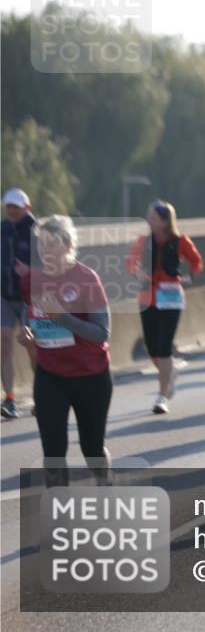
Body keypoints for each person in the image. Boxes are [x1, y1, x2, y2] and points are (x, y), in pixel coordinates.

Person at [18, 216, 112, 486]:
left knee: (91, 450)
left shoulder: (86, 278)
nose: (45, 250)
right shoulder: (31, 280)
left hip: (91, 376)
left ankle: (104, 480)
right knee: (54, 453)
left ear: (68, 244)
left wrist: (64, 318)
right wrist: (28, 333)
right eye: (41, 244)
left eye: (52, 244)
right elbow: (31, 314)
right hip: (50, 376)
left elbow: (101, 333)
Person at [126, 201, 204, 414]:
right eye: (148, 216)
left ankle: (162, 396)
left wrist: (190, 275)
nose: (149, 220)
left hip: (170, 297)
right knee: (152, 348)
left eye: (153, 217)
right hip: (147, 298)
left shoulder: (180, 241)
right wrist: (137, 272)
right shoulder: (143, 241)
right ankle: (168, 373)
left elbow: (196, 262)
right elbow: (130, 262)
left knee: (164, 346)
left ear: (165, 220)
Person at [1, 188, 37, 418]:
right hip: (4, 295)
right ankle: (10, 399)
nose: (11, 210)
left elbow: (55, 266)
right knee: (4, 343)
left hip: (30, 297)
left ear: (27, 208)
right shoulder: (2, 229)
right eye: (8, 206)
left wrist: (30, 271)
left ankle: (41, 396)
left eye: (16, 206)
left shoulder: (39, 232)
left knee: (32, 346)